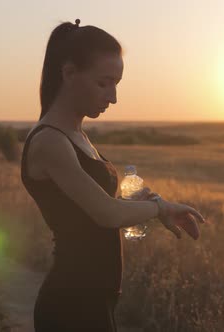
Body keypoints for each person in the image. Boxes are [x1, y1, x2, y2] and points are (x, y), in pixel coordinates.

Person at [20, 19, 206, 331]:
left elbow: (95, 206)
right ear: (68, 73)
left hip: (94, 301)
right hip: (71, 306)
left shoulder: (75, 134)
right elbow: (105, 213)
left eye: (116, 83)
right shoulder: (50, 141)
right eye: (104, 83)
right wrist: (162, 208)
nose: (114, 97)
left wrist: (149, 202)